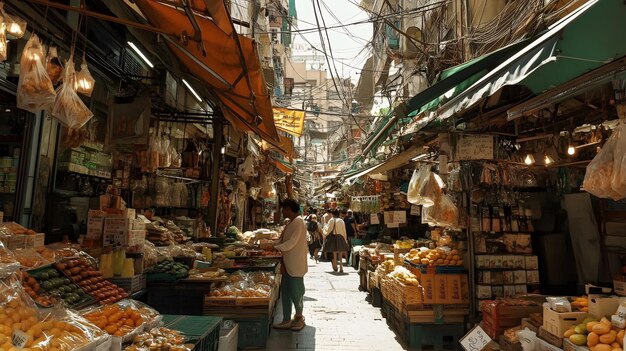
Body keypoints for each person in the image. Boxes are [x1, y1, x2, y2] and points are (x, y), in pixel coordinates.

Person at [269, 199, 308, 331]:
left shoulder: (299, 222)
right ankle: (286, 319)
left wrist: (276, 248)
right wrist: (271, 245)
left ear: (289, 209)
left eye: (284, 209)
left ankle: (299, 317)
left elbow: (292, 242)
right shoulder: (291, 222)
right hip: (287, 263)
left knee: (297, 292)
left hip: (295, 264)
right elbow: (283, 239)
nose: (282, 211)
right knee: (285, 292)